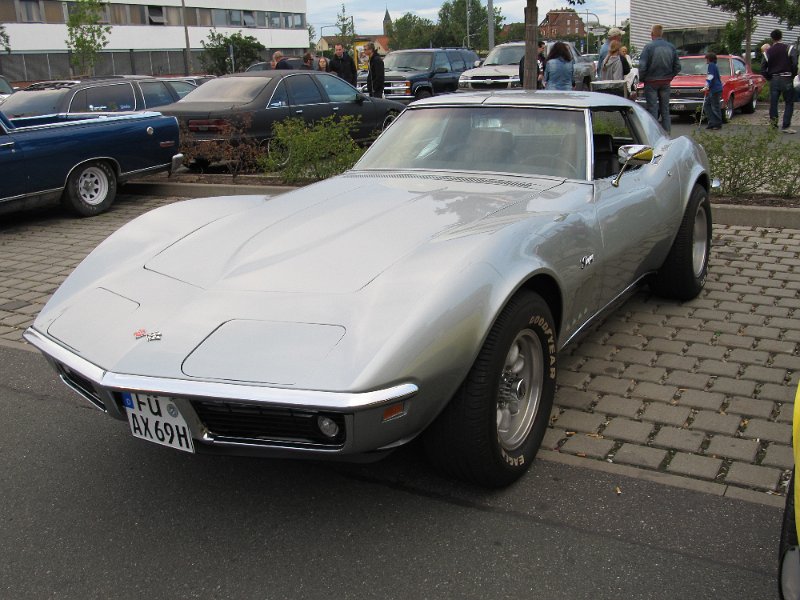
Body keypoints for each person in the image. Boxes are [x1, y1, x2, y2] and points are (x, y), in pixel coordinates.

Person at [639, 24, 681, 133]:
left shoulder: (648, 47)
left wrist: (643, 79)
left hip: (651, 81)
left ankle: (654, 134)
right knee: (665, 110)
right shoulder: (671, 47)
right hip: (665, 81)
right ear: (662, 34)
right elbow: (678, 67)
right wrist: (670, 76)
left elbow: (642, 66)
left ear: (652, 34)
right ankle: (667, 133)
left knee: (653, 109)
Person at [762, 29, 797, 134]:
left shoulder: (768, 52)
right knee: (789, 102)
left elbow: (763, 69)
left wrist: (769, 77)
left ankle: (773, 125)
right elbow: (794, 63)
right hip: (786, 78)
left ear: (772, 38)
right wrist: (792, 74)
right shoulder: (789, 48)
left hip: (774, 79)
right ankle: (786, 126)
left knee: (773, 103)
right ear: (781, 36)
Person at [702, 52, 723, 130]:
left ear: (709, 59)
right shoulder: (714, 65)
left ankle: (717, 124)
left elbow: (710, 76)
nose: (706, 60)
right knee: (707, 105)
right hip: (715, 89)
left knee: (715, 107)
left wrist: (706, 86)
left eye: (707, 59)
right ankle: (712, 122)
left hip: (715, 89)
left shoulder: (711, 65)